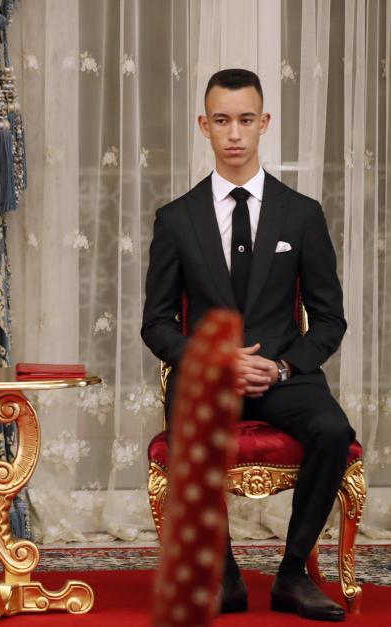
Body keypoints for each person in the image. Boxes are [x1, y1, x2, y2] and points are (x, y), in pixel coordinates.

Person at [141, 69, 353, 622]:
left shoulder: (303, 215)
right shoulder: (176, 219)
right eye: (220, 120)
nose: (233, 133)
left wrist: (281, 368)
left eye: (244, 120)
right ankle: (227, 580)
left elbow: (330, 319)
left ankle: (291, 576)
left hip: (284, 375)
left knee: (333, 430)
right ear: (203, 126)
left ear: (263, 124)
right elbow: (157, 324)